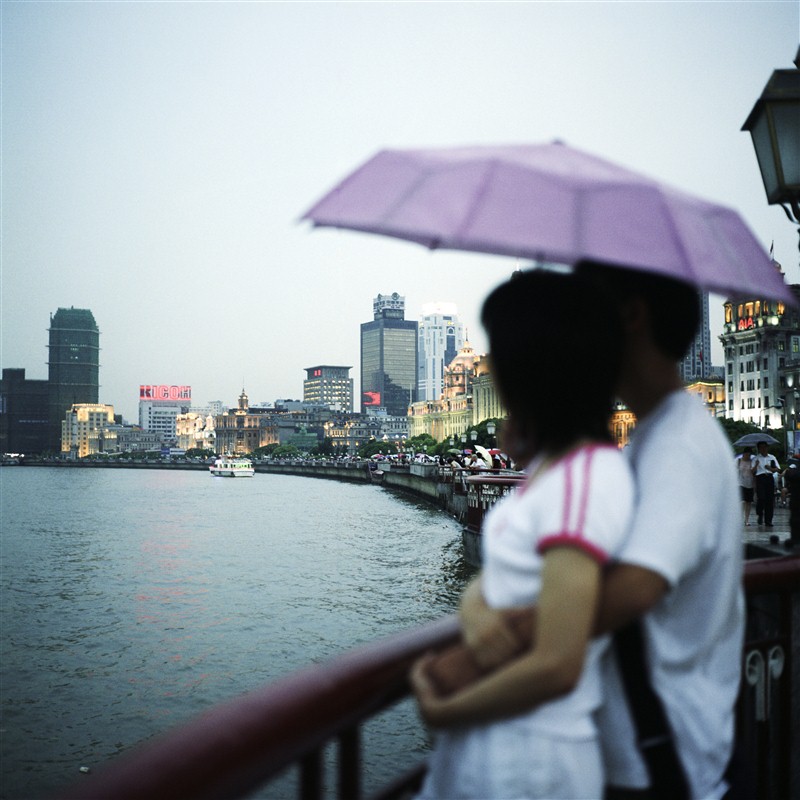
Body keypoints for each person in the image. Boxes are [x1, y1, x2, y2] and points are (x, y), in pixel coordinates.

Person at [457, 262, 744, 799]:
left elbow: (629, 590)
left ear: (630, 316)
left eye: (585, 310)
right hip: (634, 743)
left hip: (660, 758)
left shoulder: (678, 445)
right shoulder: (652, 439)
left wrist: (481, 642)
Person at [410, 270, 636, 800]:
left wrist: (443, 709)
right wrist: (475, 609)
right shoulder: (553, 474)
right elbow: (498, 582)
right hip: (498, 755)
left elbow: (559, 663)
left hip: (533, 764)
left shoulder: (583, 482)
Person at [753, 440, 780, 527]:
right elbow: (752, 471)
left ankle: (768, 520)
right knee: (761, 498)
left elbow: (778, 468)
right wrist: (756, 465)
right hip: (760, 478)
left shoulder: (772, 457)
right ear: (758, 449)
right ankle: (760, 513)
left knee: (769, 499)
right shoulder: (756, 458)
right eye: (761, 447)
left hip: (769, 478)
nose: (763, 449)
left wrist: (771, 469)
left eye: (765, 447)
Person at [737, 447, 755, 525]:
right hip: (740, 483)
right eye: (747, 454)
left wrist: (756, 465)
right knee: (742, 501)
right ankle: (740, 518)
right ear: (743, 454)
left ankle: (746, 520)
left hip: (750, 483)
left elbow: (754, 472)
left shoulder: (752, 462)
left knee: (748, 502)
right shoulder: (738, 461)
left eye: (749, 454)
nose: (748, 456)